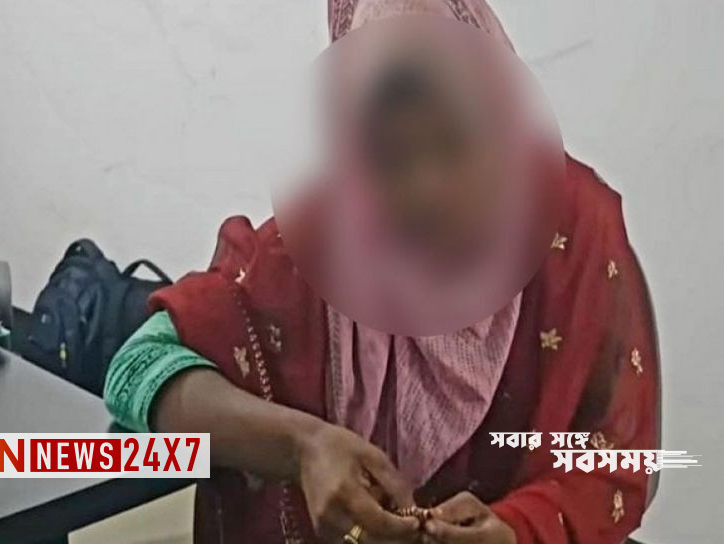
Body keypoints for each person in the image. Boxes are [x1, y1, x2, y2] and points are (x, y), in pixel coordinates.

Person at [104, 1, 660, 543]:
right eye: (388, 156)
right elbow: (137, 370)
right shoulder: (317, 242)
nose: (427, 190)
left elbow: (626, 459)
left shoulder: (573, 233)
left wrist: (519, 528)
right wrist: (302, 446)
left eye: (456, 143)